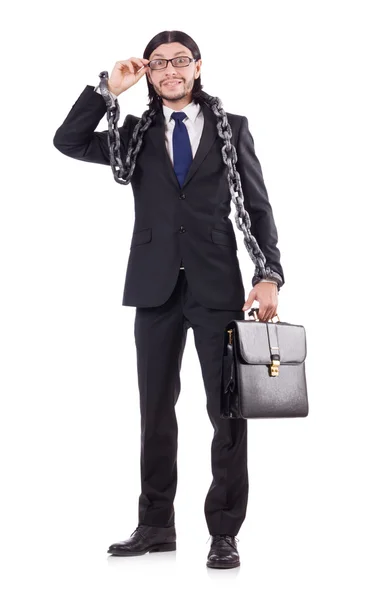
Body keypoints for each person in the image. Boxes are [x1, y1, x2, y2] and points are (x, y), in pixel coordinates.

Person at [53, 29, 285, 569]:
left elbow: (257, 205)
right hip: (154, 286)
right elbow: (67, 139)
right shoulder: (133, 135)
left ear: (198, 67)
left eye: (180, 61)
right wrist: (108, 89)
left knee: (227, 412)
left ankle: (224, 531)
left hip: (216, 286)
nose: (170, 71)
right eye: (159, 64)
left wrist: (269, 273)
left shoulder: (233, 130)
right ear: (150, 75)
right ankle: (156, 524)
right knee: (154, 410)